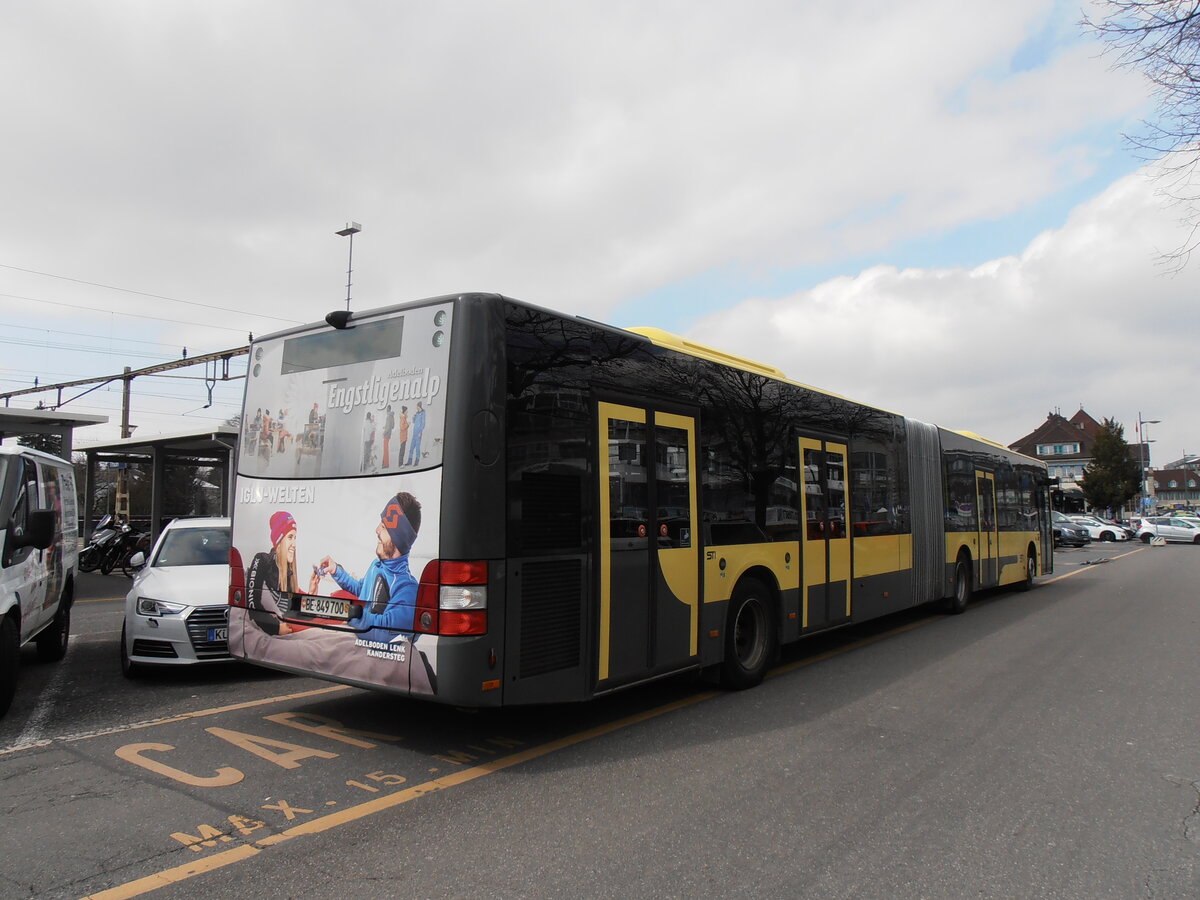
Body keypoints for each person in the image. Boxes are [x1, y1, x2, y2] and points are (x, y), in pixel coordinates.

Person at [312, 492, 422, 637]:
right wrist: (336, 571)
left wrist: (350, 614)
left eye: (383, 526)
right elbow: (361, 589)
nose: (376, 530)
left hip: (368, 654)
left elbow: (383, 632)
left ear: (398, 538)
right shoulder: (377, 565)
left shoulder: (408, 590)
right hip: (352, 641)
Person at [245, 511, 298, 635]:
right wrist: (276, 628)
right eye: (290, 537)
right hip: (271, 630)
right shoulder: (262, 560)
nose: (294, 544)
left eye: (295, 538)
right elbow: (253, 604)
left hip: (289, 629)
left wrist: (312, 592)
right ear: (279, 540)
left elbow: (296, 613)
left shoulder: (290, 575)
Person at [405, 401, 425, 466]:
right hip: (414, 433)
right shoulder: (417, 413)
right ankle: (409, 461)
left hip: (418, 434)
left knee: (417, 448)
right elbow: (414, 422)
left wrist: (420, 432)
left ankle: (417, 461)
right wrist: (413, 418)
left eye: (417, 406)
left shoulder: (423, 413)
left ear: (419, 406)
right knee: (411, 447)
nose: (416, 407)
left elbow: (423, 423)